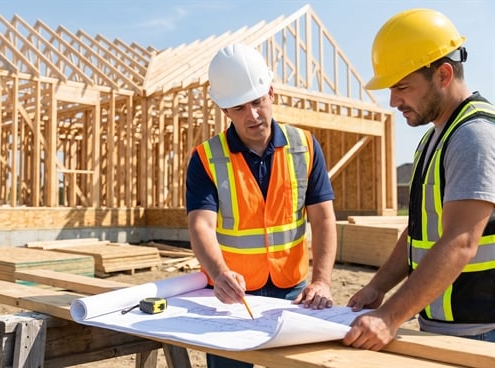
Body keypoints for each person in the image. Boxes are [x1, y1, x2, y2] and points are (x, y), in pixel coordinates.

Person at [343, 8, 495, 351]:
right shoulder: (434, 138)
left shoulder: (474, 136)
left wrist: (389, 317)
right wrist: (378, 287)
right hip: (445, 327)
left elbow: (460, 241)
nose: (394, 101)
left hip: (480, 333)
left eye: (403, 87)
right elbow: (419, 229)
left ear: (443, 74)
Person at [185, 43, 338, 368]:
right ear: (225, 110)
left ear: (271, 92)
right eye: (239, 108)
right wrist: (219, 273)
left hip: (292, 289)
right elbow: (201, 225)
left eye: (257, 102)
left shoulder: (305, 147)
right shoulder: (206, 158)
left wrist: (322, 280)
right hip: (232, 293)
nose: (253, 115)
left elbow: (323, 220)